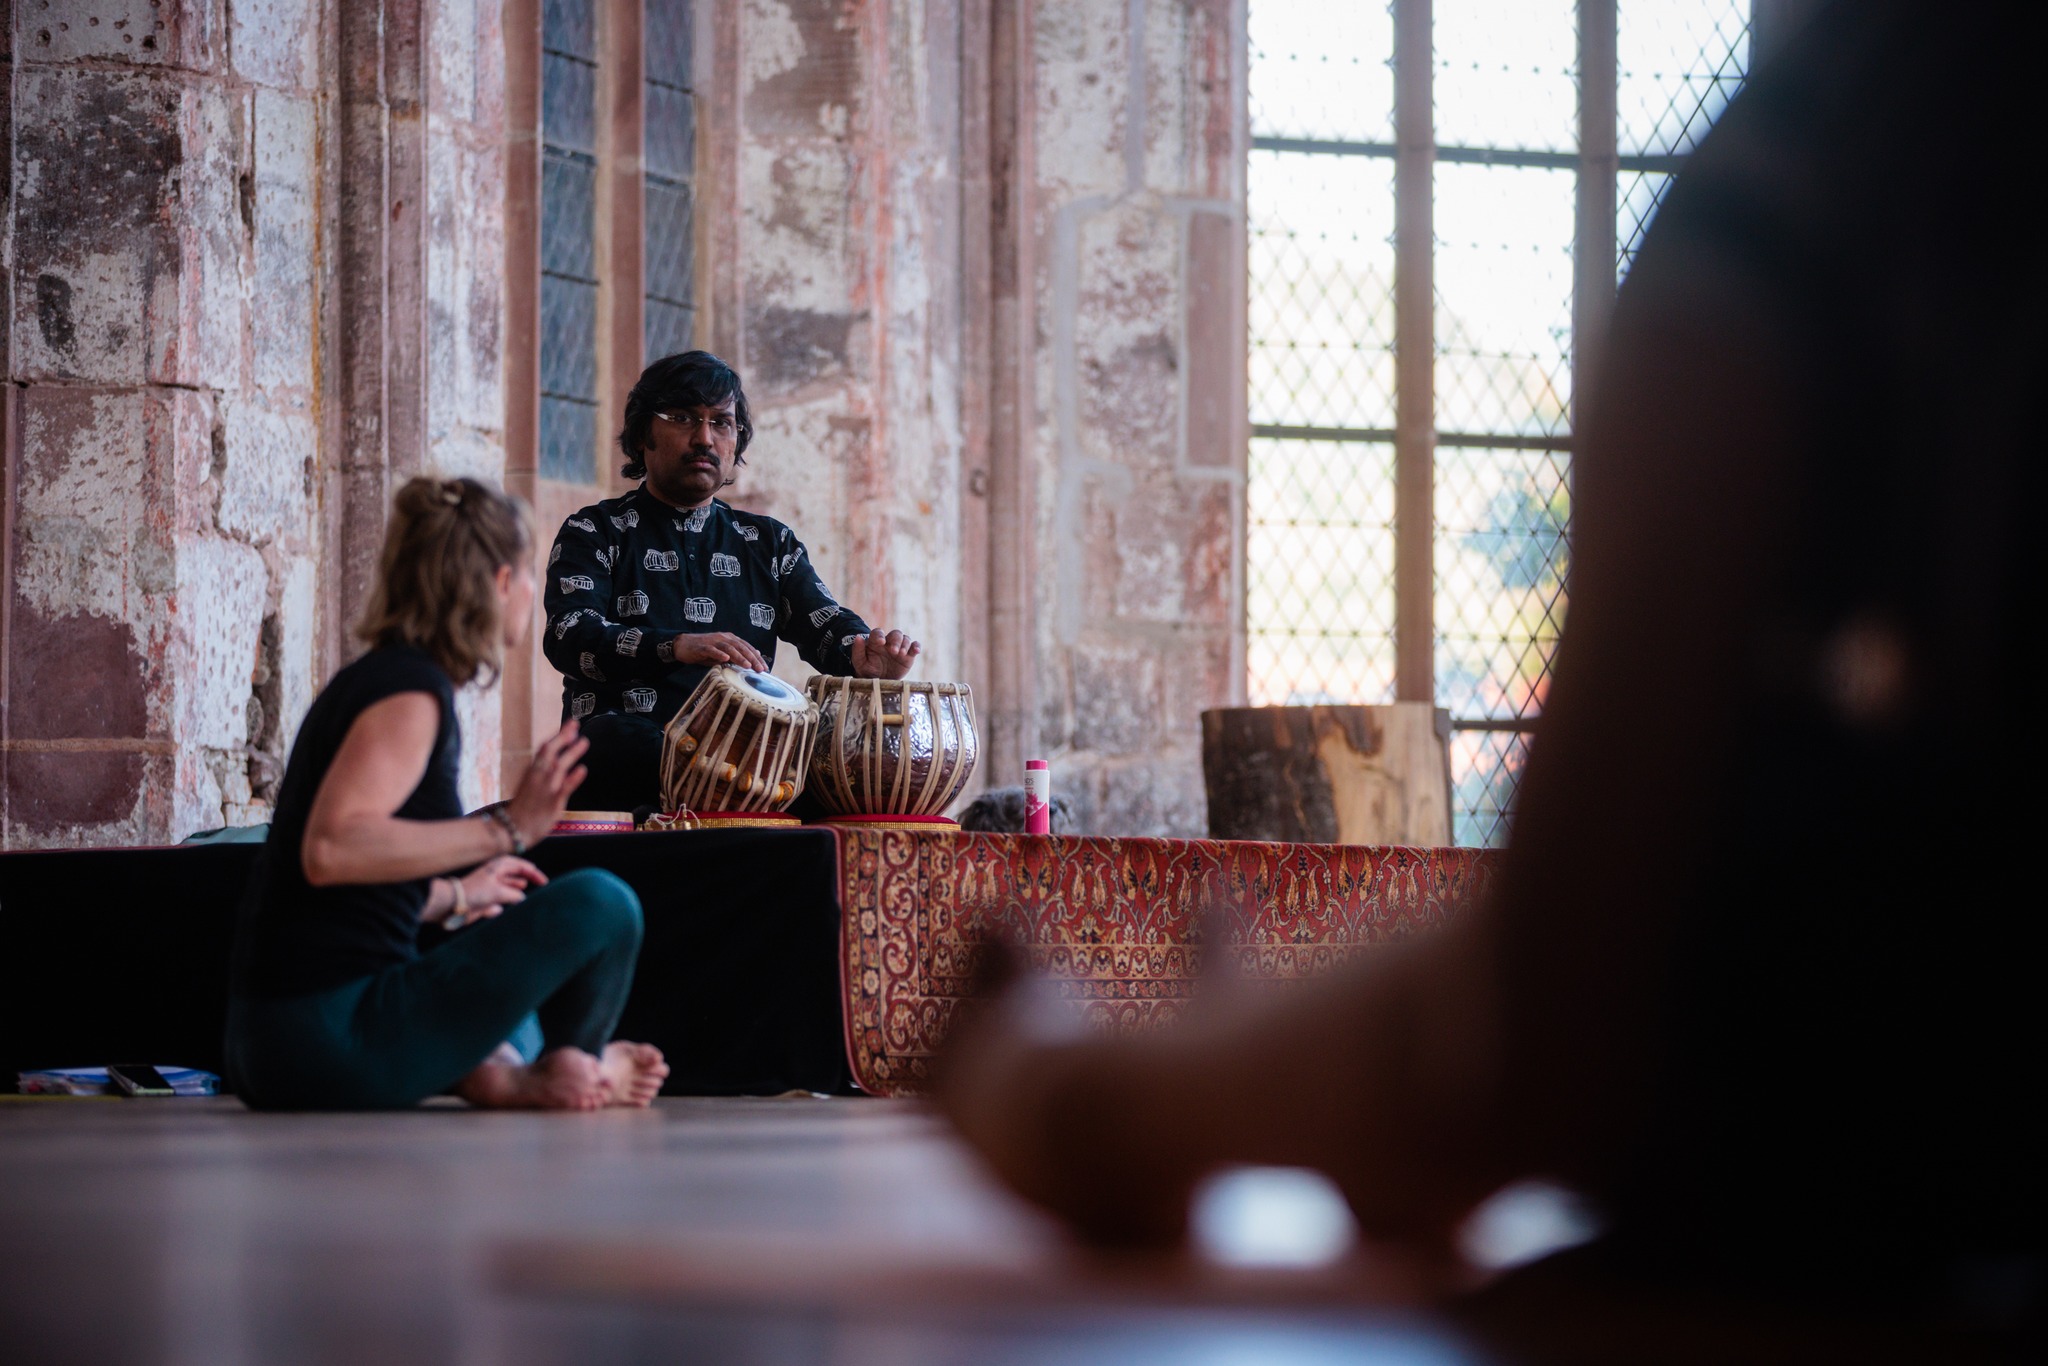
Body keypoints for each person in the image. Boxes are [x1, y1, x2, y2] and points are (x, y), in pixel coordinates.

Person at [940, 0, 2044, 1326]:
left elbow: (1544, 1025)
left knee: (1613, 984)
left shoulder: (1891, 106)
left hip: (1904, 1055)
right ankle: (1218, 1070)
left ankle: (1086, 1095)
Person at [226, 477, 670, 1111]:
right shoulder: (409, 693)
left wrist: (457, 896)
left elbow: (344, 897)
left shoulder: (385, 679)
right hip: (326, 1035)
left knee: (499, 940)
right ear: (500, 583)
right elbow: (331, 851)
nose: (532, 590)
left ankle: (507, 1074)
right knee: (604, 904)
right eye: (527, 573)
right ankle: (577, 1063)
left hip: (281, 1044)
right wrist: (507, 829)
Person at [543, 351, 921, 811]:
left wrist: (862, 656)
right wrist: (674, 646)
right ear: (643, 434)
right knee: (609, 738)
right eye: (683, 418)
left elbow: (824, 623)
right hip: (630, 760)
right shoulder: (594, 531)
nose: (704, 438)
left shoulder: (768, 543)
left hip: (745, 763)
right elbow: (569, 636)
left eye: (721, 422)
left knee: (839, 768)